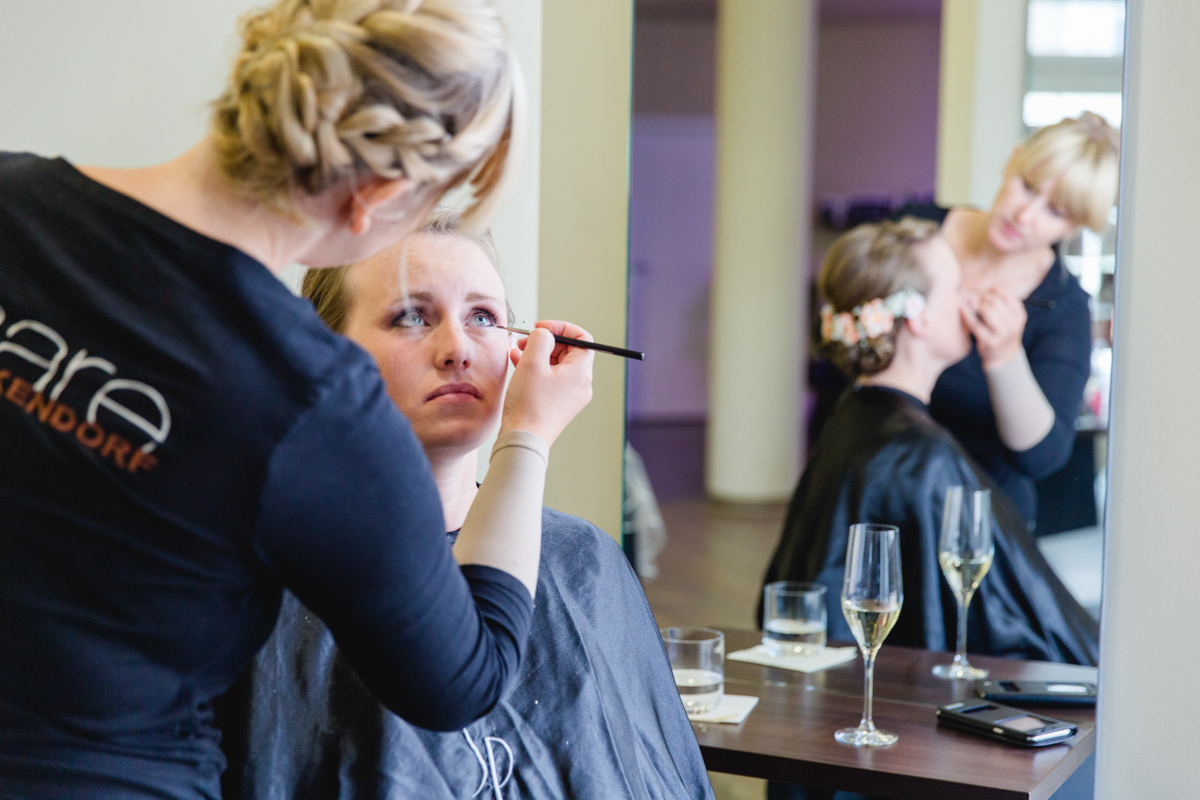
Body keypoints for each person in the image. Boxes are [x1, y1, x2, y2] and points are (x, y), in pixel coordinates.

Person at [0, 2, 593, 798]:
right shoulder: (311, 402)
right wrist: (528, 436)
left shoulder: (13, 198)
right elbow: (463, 680)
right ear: (376, 195)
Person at [216, 210, 714, 800]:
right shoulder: (261, 585)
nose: (456, 347)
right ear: (325, 354)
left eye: (483, 317)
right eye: (410, 316)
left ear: (517, 349)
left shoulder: (584, 560)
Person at [762, 219, 1099, 667]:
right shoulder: (924, 456)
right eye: (958, 287)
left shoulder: (853, 417)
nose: (970, 302)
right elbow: (1028, 632)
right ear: (918, 317)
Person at [895, 112, 1120, 528]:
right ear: (1012, 160)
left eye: (1054, 210)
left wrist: (1004, 357)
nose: (1025, 215)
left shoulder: (1063, 310)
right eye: (1028, 187)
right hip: (878, 486)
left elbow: (1041, 457)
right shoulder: (915, 232)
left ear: (1074, 225)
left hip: (974, 525)